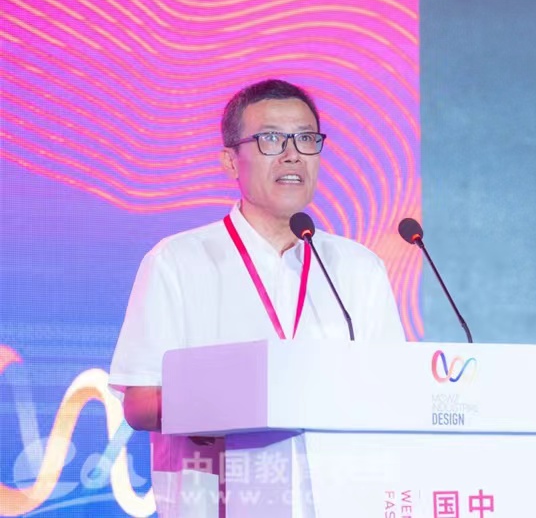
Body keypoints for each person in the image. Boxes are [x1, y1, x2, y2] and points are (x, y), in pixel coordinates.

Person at [109, 79, 406, 517]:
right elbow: (139, 404)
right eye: (271, 139)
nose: (292, 155)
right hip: (219, 503)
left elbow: (393, 391)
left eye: (306, 139)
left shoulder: (358, 267)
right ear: (231, 161)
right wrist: (256, 398)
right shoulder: (178, 261)